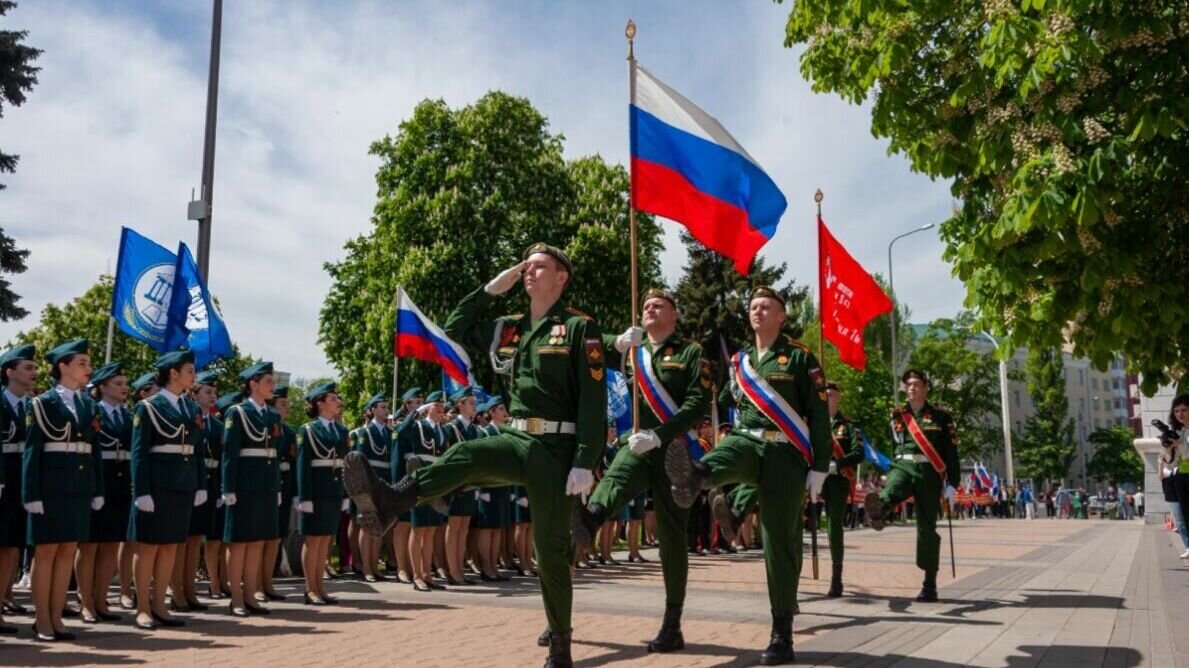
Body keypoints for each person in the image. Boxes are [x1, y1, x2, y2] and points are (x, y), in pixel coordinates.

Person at [344, 243, 605, 667]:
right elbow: (452, 328)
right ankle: (395, 500)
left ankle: (560, 643)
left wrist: (586, 460)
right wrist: (489, 290)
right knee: (467, 453)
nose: (529, 272)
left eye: (540, 267)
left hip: (557, 449)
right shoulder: (513, 328)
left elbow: (593, 400)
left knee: (550, 548)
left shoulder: (579, 329)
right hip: (517, 437)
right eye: (526, 267)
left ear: (561, 278)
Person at [666, 287, 830, 666]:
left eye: (766, 306)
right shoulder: (740, 361)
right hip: (747, 441)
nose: (758, 311)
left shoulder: (801, 359)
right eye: (754, 307)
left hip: (786, 454)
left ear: (782, 317)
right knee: (723, 453)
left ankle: (781, 631)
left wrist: (820, 466)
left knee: (779, 540)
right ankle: (694, 477)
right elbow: (726, 401)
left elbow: (819, 417)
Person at [568, 288, 706, 652]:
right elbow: (588, 352)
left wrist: (660, 436)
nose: (649, 308)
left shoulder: (691, 353)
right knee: (612, 481)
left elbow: (696, 404)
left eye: (659, 305)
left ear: (675, 315)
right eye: (646, 305)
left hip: (674, 447)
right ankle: (590, 520)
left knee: (673, 538)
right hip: (636, 443)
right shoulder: (634, 352)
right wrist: (616, 341)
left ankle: (672, 623)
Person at [22, 340, 105, 641]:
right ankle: (41, 619)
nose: (87, 368)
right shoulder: (42, 404)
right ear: (63, 367)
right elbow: (32, 451)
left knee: (68, 551)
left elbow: (93, 450)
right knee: (46, 552)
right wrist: (31, 494)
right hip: (50, 487)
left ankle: (57, 617)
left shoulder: (88, 404)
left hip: (79, 487)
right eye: (81, 362)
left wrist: (97, 488)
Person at [864, 370, 960, 603]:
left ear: (926, 387)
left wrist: (952, 484)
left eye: (916, 384)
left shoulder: (942, 417)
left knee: (927, 528)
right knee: (893, 486)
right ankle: (880, 508)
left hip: (929, 472)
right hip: (903, 465)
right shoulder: (897, 415)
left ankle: (929, 585)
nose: (911, 388)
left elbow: (951, 452)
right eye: (908, 385)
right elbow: (893, 445)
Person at [127, 350, 206, 630]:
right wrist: (142, 491)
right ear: (172, 373)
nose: (193, 376)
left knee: (171, 546)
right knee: (148, 548)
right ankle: (143, 608)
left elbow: (196, 450)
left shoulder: (191, 408)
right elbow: (139, 453)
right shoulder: (148, 407)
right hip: (157, 485)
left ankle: (160, 604)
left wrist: (200, 484)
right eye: (189, 370)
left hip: (182, 484)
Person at [221, 362, 282, 616]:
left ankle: (250, 595)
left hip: (265, 485)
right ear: (253, 384)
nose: (273, 386)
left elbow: (275, 454)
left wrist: (276, 485)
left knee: (257, 541)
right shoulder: (237, 412)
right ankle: (236, 597)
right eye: (268, 381)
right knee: (239, 543)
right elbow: (230, 454)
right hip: (244, 485)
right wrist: (228, 488)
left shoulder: (271, 415)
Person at [76, 362, 132, 623]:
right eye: (118, 384)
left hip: (120, 485)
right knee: (89, 546)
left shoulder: (128, 415)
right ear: (102, 387)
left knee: (110, 545)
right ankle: (85, 601)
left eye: (125, 383)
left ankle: (101, 599)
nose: (124, 388)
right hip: (99, 480)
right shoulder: (91, 411)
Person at [171, 369, 219, 613]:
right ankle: (176, 590)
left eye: (215, 393)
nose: (213, 396)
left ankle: (189, 589)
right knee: (179, 541)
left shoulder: (214, 422)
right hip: (184, 481)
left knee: (194, 541)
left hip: (204, 483)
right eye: (207, 391)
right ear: (195, 393)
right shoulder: (187, 414)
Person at [296, 382, 349, 605]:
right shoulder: (307, 430)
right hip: (316, 491)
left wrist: (345, 494)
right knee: (313, 540)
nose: (338, 402)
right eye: (333, 399)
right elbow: (303, 466)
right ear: (320, 404)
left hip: (334, 490)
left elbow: (346, 464)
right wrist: (304, 497)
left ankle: (320, 587)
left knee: (326, 539)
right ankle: (310, 589)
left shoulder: (341, 431)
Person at [0, 344, 35, 631]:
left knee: (13, 545)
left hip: (20, 481)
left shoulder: (29, 405)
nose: (34, 373)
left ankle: (5, 596)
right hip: (3, 479)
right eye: (28, 368)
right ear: (9, 372)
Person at [350, 392, 392, 583]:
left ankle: (375, 566)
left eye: (386, 407)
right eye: (382, 407)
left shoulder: (389, 433)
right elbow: (359, 461)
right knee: (367, 527)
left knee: (379, 528)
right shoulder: (364, 433)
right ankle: (366, 567)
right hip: (369, 482)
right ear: (373, 410)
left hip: (383, 483)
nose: (386, 410)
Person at [441, 386, 481, 586]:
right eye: (471, 403)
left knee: (464, 526)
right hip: (456, 484)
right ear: (460, 405)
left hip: (470, 483)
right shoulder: (451, 428)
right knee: (454, 525)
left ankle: (460, 570)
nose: (475, 406)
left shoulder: (474, 429)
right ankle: (453, 570)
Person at [473, 396, 512, 581]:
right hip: (488, 486)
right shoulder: (484, 433)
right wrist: (483, 488)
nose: (505, 413)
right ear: (492, 412)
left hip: (502, 485)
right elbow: (480, 463)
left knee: (497, 529)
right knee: (487, 529)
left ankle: (494, 566)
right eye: (501, 409)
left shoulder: (506, 433)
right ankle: (486, 567)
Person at [262, 384, 295, 600]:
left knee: (280, 531)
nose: (287, 408)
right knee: (265, 533)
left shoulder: (290, 432)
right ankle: (261, 576)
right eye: (283, 404)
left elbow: (293, 460)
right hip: (268, 482)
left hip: (286, 484)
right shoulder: (265, 426)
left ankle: (272, 571)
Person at [206, 391, 239, 599]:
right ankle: (213, 582)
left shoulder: (220, 428)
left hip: (222, 484)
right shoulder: (212, 426)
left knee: (225, 538)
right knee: (213, 540)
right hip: (208, 485)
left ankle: (225, 580)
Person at [1163, 395, 1189, 558]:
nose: (1180, 414)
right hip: (1182, 477)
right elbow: (1170, 464)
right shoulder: (1179, 432)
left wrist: (1180, 445)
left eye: (1184, 410)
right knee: (1186, 516)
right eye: (1177, 410)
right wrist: (1168, 448)